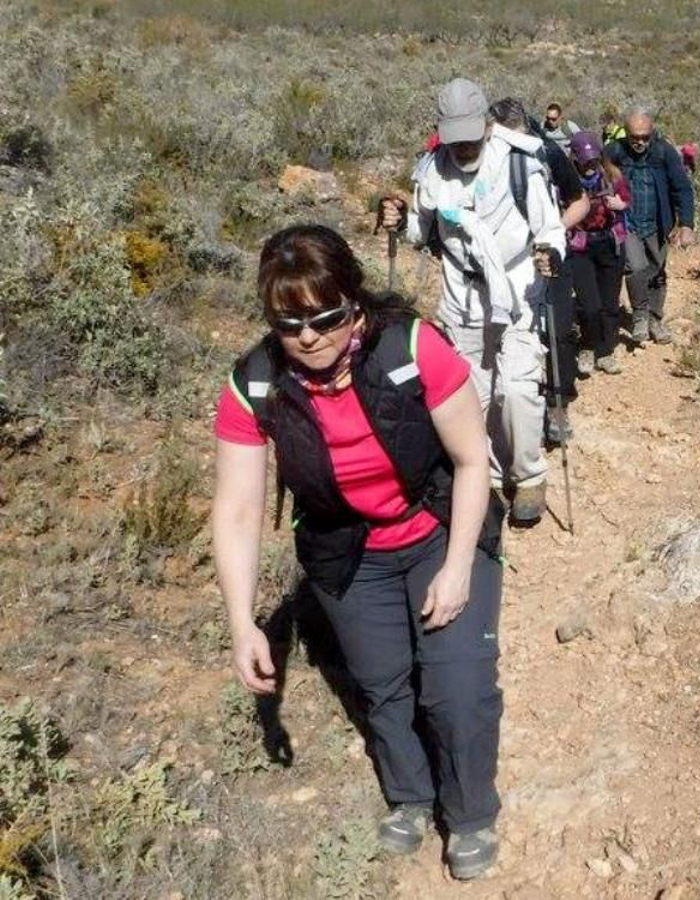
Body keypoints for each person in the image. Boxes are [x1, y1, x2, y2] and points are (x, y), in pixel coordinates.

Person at [214, 225, 505, 882]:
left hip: (437, 525)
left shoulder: (410, 347)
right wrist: (242, 624)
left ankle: (469, 812)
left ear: (354, 302)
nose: (309, 336)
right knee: (383, 685)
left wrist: (458, 565)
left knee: (456, 685)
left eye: (326, 317)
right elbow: (236, 510)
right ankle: (409, 795)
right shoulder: (255, 383)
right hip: (346, 551)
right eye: (290, 324)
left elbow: (470, 462)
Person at [382, 78, 566, 527]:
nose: (463, 147)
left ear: (486, 124)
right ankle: (480, 476)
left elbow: (551, 227)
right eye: (455, 138)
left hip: (518, 287)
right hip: (462, 295)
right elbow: (420, 232)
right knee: (472, 395)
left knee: (518, 389)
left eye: (471, 135)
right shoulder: (431, 170)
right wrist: (394, 218)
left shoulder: (521, 162)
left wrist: (550, 254)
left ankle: (528, 476)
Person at [487, 98, 591, 435]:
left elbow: (580, 201)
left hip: (549, 256)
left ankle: (558, 404)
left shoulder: (546, 151)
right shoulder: (483, 156)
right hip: (503, 262)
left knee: (558, 329)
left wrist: (552, 233)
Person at [604, 107, 696, 347]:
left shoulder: (664, 152)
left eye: (645, 136)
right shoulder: (614, 151)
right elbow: (598, 178)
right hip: (628, 223)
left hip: (657, 223)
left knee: (656, 271)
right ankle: (640, 315)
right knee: (635, 267)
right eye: (635, 136)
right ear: (626, 132)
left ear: (652, 132)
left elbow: (682, 188)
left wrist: (686, 224)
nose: (640, 142)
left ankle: (655, 318)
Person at [566, 131, 630, 377]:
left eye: (594, 160)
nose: (590, 166)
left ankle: (605, 351)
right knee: (589, 304)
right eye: (585, 161)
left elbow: (627, 200)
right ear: (576, 159)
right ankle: (588, 345)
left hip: (610, 243)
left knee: (609, 303)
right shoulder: (567, 181)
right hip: (581, 245)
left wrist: (620, 205)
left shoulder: (612, 177)